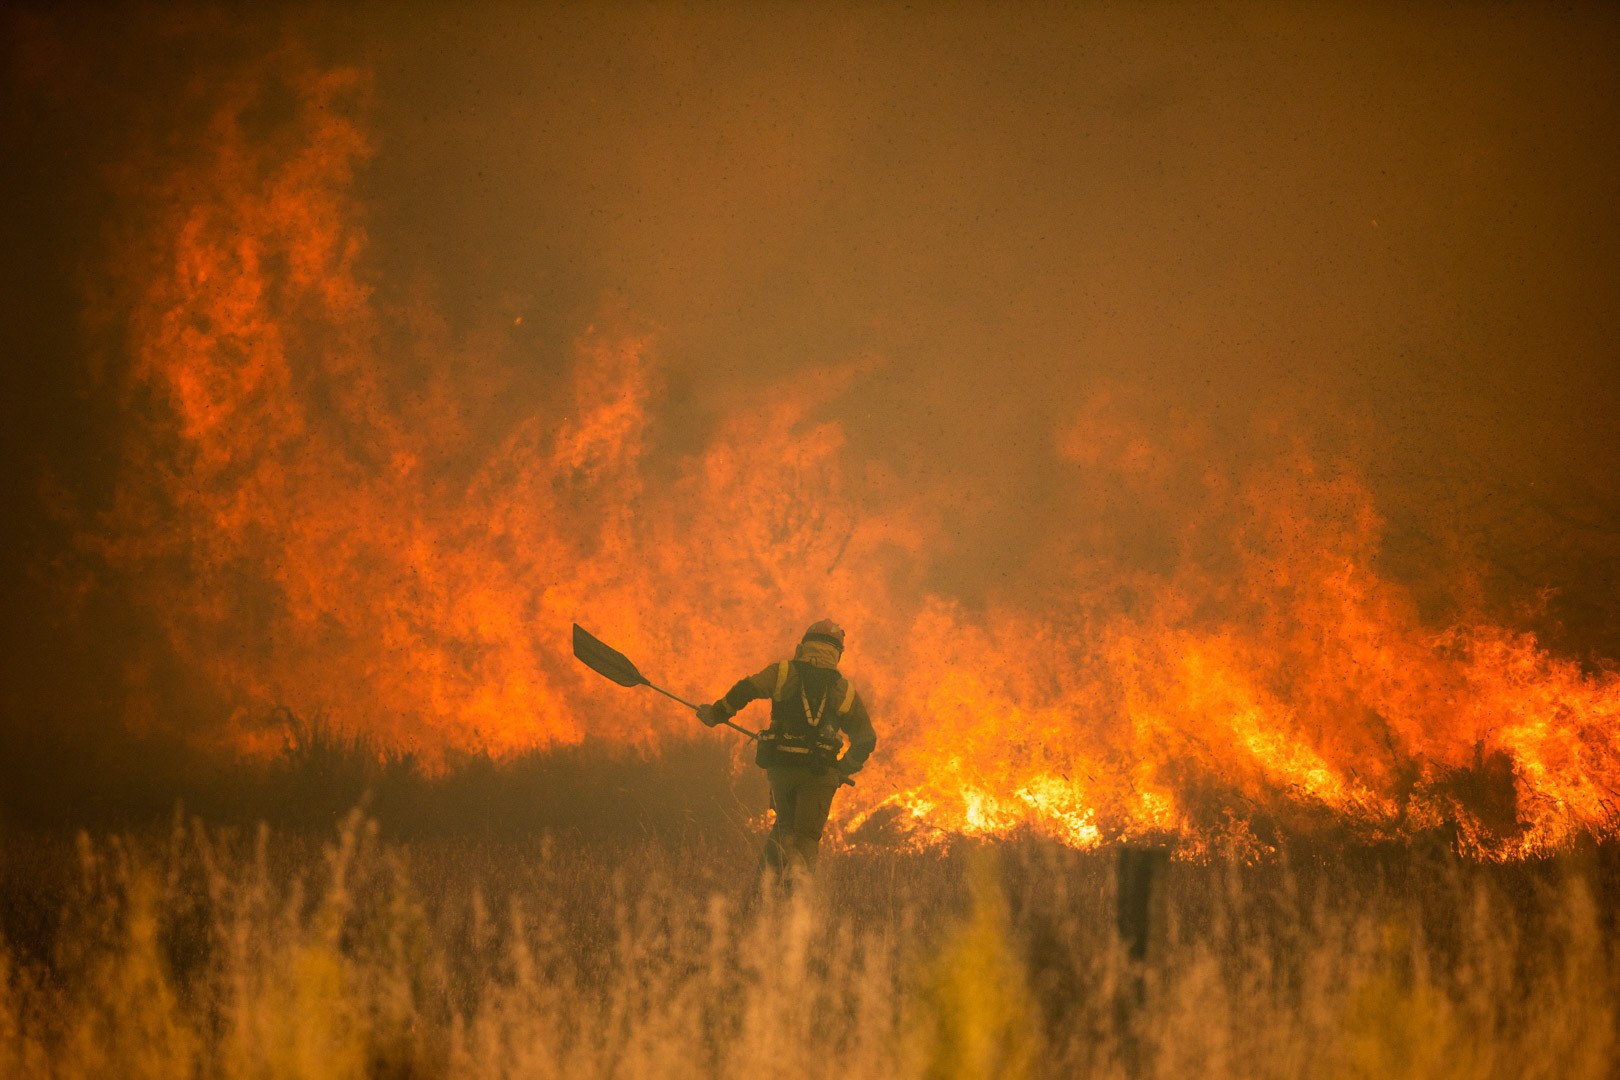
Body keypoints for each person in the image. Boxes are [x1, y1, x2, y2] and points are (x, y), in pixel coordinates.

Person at [697, 620, 876, 884]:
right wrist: (842, 770)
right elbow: (866, 740)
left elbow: (747, 688)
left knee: (783, 829)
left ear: (803, 646)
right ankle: (796, 905)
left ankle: (763, 892)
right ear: (837, 653)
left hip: (782, 771)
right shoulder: (843, 690)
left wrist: (717, 712)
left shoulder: (782, 672)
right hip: (819, 777)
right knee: (806, 838)